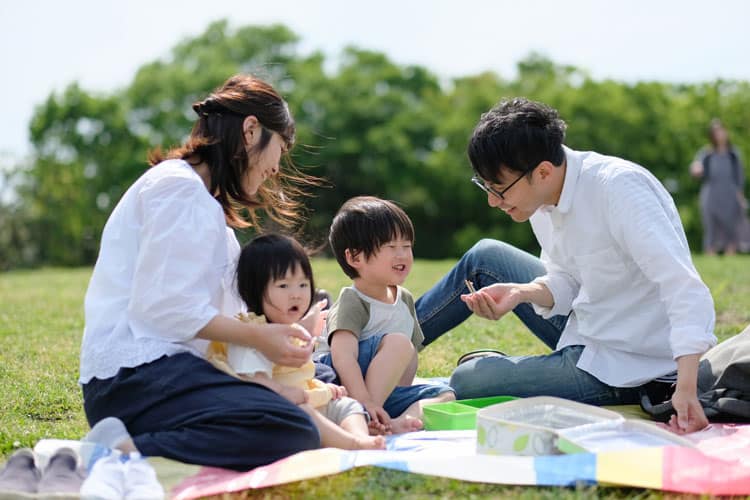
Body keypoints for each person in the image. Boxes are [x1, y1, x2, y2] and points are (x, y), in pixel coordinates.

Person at [414, 98, 717, 434]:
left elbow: (683, 287)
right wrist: (520, 292)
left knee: (469, 380)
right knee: (486, 256)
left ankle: (504, 370)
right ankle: (383, 347)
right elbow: (566, 279)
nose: (492, 201)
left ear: (543, 171)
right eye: (486, 187)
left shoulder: (619, 189)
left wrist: (686, 388)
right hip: (588, 324)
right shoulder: (542, 200)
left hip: (628, 362)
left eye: (499, 189)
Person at [79, 74, 325, 471]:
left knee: (290, 421)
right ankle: (116, 453)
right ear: (250, 131)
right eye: (280, 148)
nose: (277, 168)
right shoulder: (179, 189)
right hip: (135, 378)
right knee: (290, 428)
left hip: (166, 376)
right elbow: (162, 308)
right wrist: (259, 337)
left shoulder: (203, 205)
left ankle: (126, 448)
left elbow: (212, 318)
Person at [206, 233, 385, 450]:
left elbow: (299, 377)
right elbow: (253, 383)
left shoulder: (290, 330)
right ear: (254, 290)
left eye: (302, 284)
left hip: (306, 400)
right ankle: (352, 443)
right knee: (304, 410)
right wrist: (284, 393)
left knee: (347, 405)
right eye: (283, 286)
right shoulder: (251, 334)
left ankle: (360, 435)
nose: (296, 295)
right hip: (279, 412)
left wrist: (321, 388)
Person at [315, 196, 455, 434]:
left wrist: (397, 391)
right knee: (399, 343)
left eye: (407, 246)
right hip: (338, 382)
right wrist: (366, 402)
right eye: (391, 247)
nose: (402, 255)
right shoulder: (353, 300)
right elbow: (343, 358)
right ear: (355, 257)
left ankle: (391, 422)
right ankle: (366, 417)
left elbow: (409, 359)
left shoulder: (405, 299)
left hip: (376, 392)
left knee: (445, 394)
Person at [689, 118, 748, 255]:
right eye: (716, 132)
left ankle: (730, 256)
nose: (719, 135)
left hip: (730, 196)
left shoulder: (734, 155)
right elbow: (696, 166)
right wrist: (695, 168)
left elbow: (739, 178)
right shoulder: (706, 154)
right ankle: (710, 254)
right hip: (711, 196)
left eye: (721, 131)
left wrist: (741, 198)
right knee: (711, 228)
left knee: (731, 228)